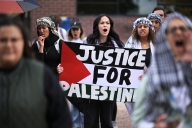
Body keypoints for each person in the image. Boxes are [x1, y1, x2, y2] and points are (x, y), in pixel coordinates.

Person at [0, 14, 72, 128]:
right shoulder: (36, 45)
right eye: (3, 40)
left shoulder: (59, 44)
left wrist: (61, 69)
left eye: (14, 40)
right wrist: (41, 49)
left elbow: (61, 119)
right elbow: (38, 64)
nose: (9, 45)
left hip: (57, 81)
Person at [132, 12, 192, 128]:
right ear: (165, 37)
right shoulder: (150, 79)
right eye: (173, 29)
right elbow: (137, 121)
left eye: (182, 29)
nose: (178, 32)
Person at [83, 14, 124, 128]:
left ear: (110, 26)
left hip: (108, 90)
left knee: (107, 120)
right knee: (91, 121)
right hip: (90, 90)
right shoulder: (87, 42)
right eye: (102, 23)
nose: (105, 25)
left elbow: (126, 66)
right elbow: (77, 62)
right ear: (97, 26)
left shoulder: (118, 45)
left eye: (107, 23)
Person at [124, 17, 155, 117]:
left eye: (145, 26)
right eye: (140, 26)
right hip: (134, 84)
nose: (142, 28)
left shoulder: (157, 43)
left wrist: (151, 71)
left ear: (150, 29)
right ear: (136, 29)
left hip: (152, 84)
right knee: (137, 114)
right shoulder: (130, 44)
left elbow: (162, 63)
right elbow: (124, 62)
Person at [57, 21, 86, 128]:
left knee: (82, 100)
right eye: (73, 29)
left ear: (80, 30)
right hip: (70, 75)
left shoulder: (85, 42)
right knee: (74, 101)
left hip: (82, 75)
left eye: (77, 29)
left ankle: (83, 124)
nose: (75, 32)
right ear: (71, 31)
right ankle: (75, 124)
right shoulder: (65, 42)